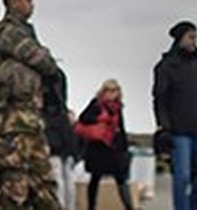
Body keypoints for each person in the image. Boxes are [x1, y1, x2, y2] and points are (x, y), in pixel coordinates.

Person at [0, 0, 61, 209]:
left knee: (43, 188)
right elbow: (46, 63)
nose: (32, 5)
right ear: (14, 1)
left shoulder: (21, 33)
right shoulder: (9, 33)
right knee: (15, 190)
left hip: (28, 124)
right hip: (12, 125)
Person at [152, 20, 197, 210]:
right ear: (179, 38)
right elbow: (160, 98)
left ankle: (192, 204)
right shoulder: (165, 67)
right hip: (179, 129)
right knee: (181, 177)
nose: (194, 41)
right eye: (191, 37)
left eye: (195, 37)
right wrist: (164, 125)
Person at [78, 79, 134, 210]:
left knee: (120, 178)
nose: (111, 93)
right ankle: (91, 207)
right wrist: (101, 120)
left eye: (114, 90)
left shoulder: (117, 107)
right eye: (108, 90)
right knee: (95, 178)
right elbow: (84, 118)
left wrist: (125, 146)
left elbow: (121, 126)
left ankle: (129, 206)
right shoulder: (96, 104)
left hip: (114, 147)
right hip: (98, 147)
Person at [43, 68, 80, 210]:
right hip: (65, 136)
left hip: (53, 137)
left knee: (58, 180)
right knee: (68, 178)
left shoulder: (46, 104)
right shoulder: (62, 108)